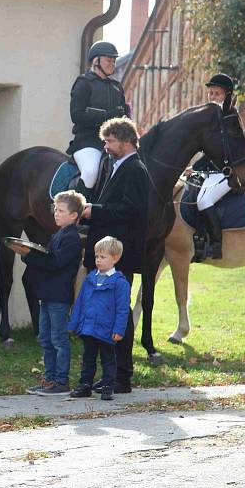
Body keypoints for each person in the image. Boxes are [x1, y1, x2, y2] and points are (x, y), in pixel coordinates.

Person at [80, 117, 149, 394]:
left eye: (110, 141)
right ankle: (111, 374)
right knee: (108, 313)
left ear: (127, 141)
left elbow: (131, 211)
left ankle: (122, 376)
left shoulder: (135, 169)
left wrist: (94, 211)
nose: (105, 146)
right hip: (106, 253)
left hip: (120, 255)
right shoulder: (115, 166)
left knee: (119, 314)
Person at [13, 190, 84, 395]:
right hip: (47, 294)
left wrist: (28, 255)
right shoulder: (59, 234)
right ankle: (49, 379)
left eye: (61, 211)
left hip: (59, 296)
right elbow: (49, 257)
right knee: (45, 338)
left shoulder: (71, 238)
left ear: (73, 216)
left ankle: (61, 381)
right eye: (55, 209)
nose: (56, 213)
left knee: (58, 339)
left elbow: (55, 263)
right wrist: (29, 253)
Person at [68, 236, 130, 401]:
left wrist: (118, 330)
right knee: (88, 358)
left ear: (115, 258)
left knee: (108, 359)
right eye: (97, 256)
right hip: (89, 328)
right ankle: (85, 385)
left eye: (103, 257)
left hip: (107, 329)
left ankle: (108, 386)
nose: (98, 260)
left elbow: (122, 309)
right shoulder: (90, 279)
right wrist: (74, 323)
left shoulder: (120, 283)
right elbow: (80, 302)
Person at [67, 40, 129, 201]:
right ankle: (76, 214)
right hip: (88, 141)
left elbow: (124, 114)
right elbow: (76, 115)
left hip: (114, 142)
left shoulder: (116, 87)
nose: (112, 64)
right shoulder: (84, 83)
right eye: (108, 60)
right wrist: (107, 115)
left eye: (114, 61)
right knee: (90, 172)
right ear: (96, 61)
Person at [187, 73, 236, 260]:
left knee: (203, 201)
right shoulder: (212, 119)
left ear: (227, 96)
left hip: (229, 173)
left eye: (217, 94)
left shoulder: (230, 118)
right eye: (210, 93)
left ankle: (216, 244)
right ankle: (198, 241)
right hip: (212, 172)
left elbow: (219, 152)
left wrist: (197, 166)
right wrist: (195, 168)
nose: (212, 97)